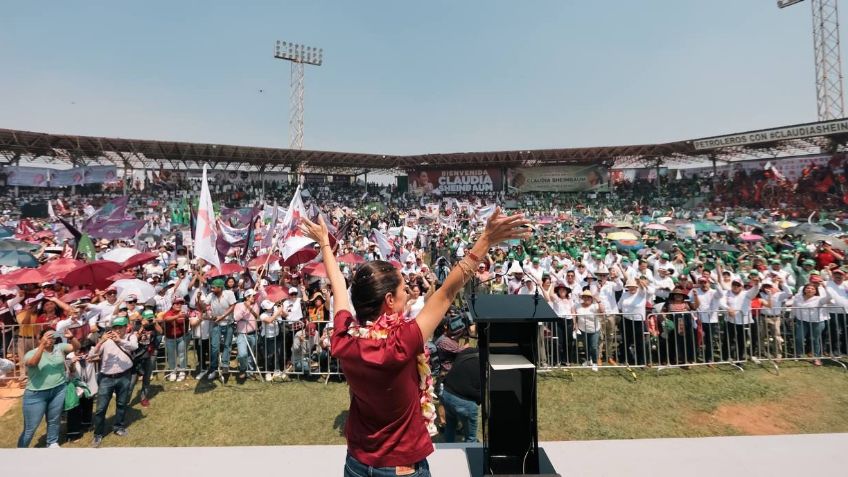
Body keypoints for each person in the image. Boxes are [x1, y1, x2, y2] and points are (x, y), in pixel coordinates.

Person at [300, 207, 528, 476]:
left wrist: (325, 243)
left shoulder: (344, 339)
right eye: (402, 289)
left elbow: (338, 286)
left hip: (358, 463)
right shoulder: (401, 343)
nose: (407, 291)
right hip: (401, 467)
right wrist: (486, 239)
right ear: (389, 302)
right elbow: (447, 292)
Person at [17, 328, 79, 448]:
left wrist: (71, 338)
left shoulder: (59, 348)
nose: (50, 339)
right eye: (47, 337)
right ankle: (21, 450)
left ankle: (52, 442)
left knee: (54, 420)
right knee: (31, 427)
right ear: (39, 338)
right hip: (36, 394)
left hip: (58, 390)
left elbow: (76, 347)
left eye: (52, 336)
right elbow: (33, 363)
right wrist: (42, 345)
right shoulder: (31, 353)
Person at [90, 315, 138, 448]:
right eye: (115, 328)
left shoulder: (130, 337)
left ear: (126, 327)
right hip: (106, 378)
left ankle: (119, 427)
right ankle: (98, 434)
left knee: (122, 403)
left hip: (124, 375)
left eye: (120, 327)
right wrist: (101, 341)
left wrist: (120, 341)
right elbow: (92, 354)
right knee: (101, 408)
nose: (117, 330)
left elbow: (134, 346)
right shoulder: (105, 340)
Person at [440, 347, 480, 443]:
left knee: (450, 426)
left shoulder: (467, 352)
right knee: (471, 438)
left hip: (446, 393)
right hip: (465, 402)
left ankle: (448, 450)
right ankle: (470, 456)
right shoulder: (483, 364)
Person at [203, 278, 237, 381]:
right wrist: (198, 299)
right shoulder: (210, 295)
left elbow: (233, 306)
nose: (212, 289)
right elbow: (203, 306)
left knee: (227, 345)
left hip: (228, 323)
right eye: (211, 287)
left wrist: (222, 316)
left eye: (214, 287)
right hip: (216, 324)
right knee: (214, 347)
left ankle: (225, 365)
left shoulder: (229, 293)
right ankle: (213, 369)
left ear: (220, 288)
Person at [234, 289, 260, 381]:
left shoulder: (256, 305)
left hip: (253, 333)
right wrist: (245, 308)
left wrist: (249, 308)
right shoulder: (238, 305)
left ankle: (250, 372)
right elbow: (236, 317)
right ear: (247, 297)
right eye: (253, 296)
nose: (254, 298)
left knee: (251, 354)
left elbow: (257, 316)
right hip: (241, 333)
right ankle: (243, 369)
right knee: (242, 354)